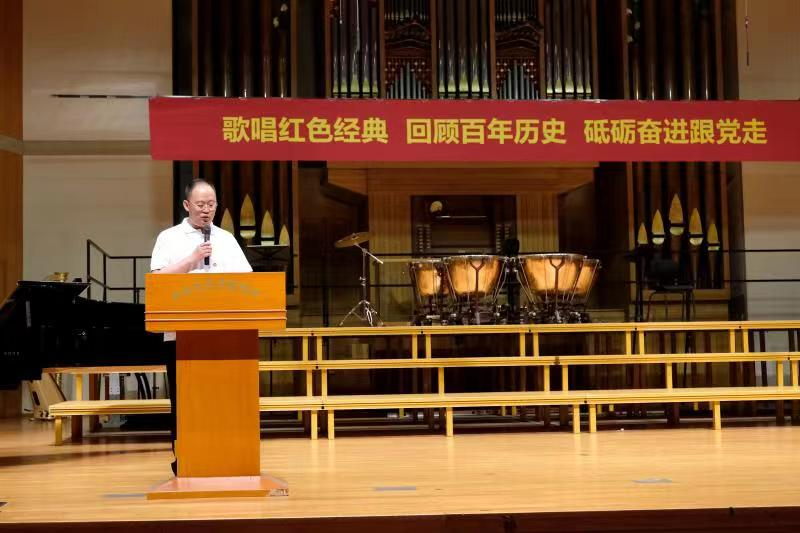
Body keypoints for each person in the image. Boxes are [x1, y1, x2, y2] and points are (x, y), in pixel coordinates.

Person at [150, 179, 252, 475]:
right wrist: (192, 260)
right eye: (200, 205)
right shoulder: (169, 237)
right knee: (185, 402)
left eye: (211, 205)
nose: (207, 210)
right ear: (187, 205)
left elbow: (247, 281)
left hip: (225, 334)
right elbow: (157, 280)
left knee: (223, 400)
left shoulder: (227, 239)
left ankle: (225, 456)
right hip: (181, 335)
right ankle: (185, 459)